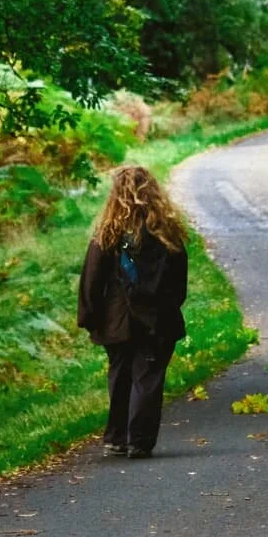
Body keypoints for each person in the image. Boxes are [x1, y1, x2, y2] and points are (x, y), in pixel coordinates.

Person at [76, 164, 188, 459]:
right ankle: (139, 439)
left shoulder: (107, 234)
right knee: (147, 380)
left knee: (120, 377)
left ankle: (117, 437)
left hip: (117, 321)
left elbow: (91, 280)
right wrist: (168, 308)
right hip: (157, 321)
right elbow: (179, 284)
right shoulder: (168, 234)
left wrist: (89, 317)